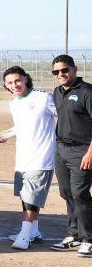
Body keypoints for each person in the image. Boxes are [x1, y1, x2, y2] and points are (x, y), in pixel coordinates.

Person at [0, 66, 55, 250]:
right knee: (26, 196)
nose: (14, 85)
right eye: (9, 83)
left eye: (17, 81)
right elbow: (21, 125)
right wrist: (9, 134)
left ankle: (24, 236)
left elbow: (65, 117)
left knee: (31, 198)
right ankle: (34, 232)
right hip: (22, 157)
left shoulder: (43, 98)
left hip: (41, 157)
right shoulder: (14, 102)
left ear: (25, 79)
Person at [48, 55, 92, 256]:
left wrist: (90, 153)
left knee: (80, 194)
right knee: (66, 192)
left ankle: (89, 239)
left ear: (74, 69)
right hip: (61, 150)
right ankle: (74, 235)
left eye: (64, 70)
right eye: (56, 72)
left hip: (82, 150)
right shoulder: (57, 92)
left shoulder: (87, 92)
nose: (60, 75)